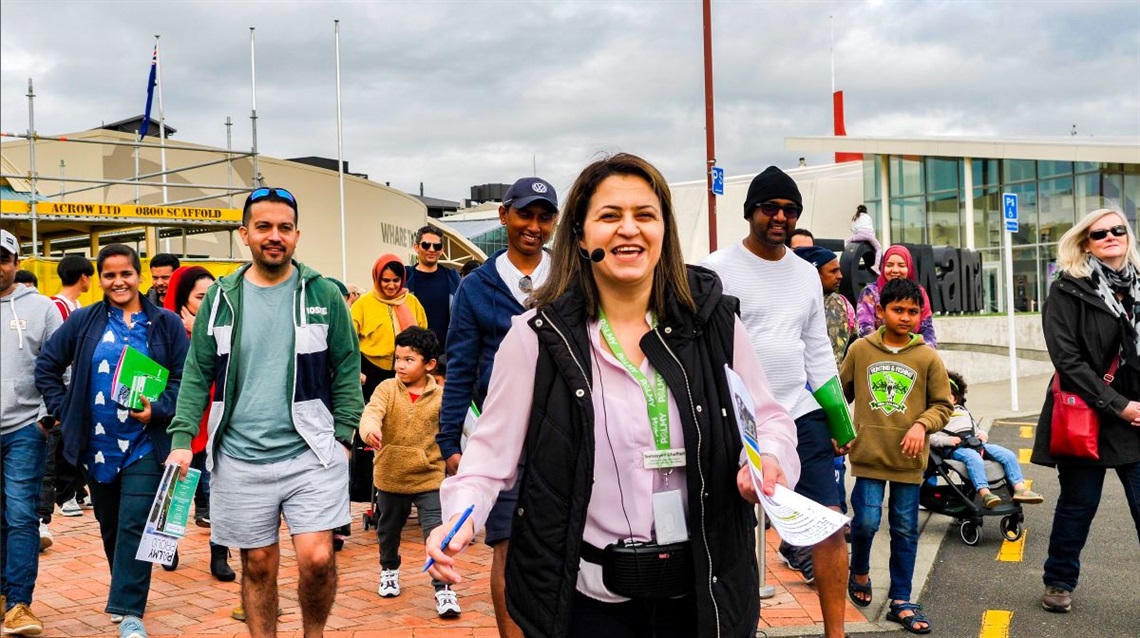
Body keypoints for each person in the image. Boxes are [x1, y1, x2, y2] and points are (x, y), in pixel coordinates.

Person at [426, 153, 799, 638]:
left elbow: (769, 420)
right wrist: (457, 520)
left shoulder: (714, 324)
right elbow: (488, 460)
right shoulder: (536, 339)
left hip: (702, 590)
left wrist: (768, 460)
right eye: (609, 216)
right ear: (580, 235)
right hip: (589, 598)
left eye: (645, 215)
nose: (629, 229)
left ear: (664, 230)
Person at [164, 187, 363, 638]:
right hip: (238, 455)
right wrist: (181, 442)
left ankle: (314, 634)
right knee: (257, 565)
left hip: (311, 450)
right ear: (245, 235)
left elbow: (347, 366)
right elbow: (197, 373)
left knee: (316, 559)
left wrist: (344, 435)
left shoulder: (324, 293)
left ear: (296, 235)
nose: (275, 236)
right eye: (264, 227)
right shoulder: (220, 296)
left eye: (285, 228)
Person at [702, 166, 849, 638]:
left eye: (790, 210)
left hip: (800, 413)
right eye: (770, 208)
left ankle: (836, 632)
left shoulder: (807, 275)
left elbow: (818, 350)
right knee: (732, 536)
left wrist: (840, 422)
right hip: (734, 422)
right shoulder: (713, 270)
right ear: (750, 213)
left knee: (829, 525)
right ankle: (738, 626)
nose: (780, 217)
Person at [35, 243, 188, 638]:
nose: (118, 281)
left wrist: (158, 409)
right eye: (109, 275)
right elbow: (49, 364)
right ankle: (126, 591)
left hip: (145, 442)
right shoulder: (85, 321)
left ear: (138, 275)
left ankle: (130, 611)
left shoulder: (165, 323)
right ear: (99, 279)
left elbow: (184, 379)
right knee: (111, 525)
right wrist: (63, 407)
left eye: (126, 273)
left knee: (136, 524)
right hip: (96, 444)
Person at [436, 175, 558, 638]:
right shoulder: (476, 287)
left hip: (565, 432)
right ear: (504, 215)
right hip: (504, 437)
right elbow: (461, 366)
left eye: (545, 217)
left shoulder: (571, 277)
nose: (534, 226)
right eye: (525, 214)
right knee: (505, 544)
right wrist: (449, 441)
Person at [1030, 208, 1140, 614]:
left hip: (1137, 417)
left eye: (1118, 230)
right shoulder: (1068, 289)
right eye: (1100, 233)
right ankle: (1058, 581)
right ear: (1085, 243)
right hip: (1089, 412)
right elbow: (1068, 359)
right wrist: (1118, 406)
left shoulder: (1139, 287)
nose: (1111, 237)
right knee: (1078, 505)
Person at [840, 278, 952, 635]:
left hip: (908, 462)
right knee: (866, 522)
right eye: (898, 310)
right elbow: (840, 394)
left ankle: (902, 598)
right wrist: (837, 431)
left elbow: (943, 405)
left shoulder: (927, 356)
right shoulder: (860, 350)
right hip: (868, 457)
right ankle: (859, 569)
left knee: (905, 529)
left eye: (913, 311)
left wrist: (922, 425)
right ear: (881, 311)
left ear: (921, 315)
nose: (905, 317)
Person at [358, 326, 460, 618]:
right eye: (397, 359)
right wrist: (370, 430)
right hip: (391, 476)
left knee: (437, 535)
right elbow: (371, 412)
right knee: (388, 532)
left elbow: (458, 427)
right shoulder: (387, 389)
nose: (400, 366)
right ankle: (389, 569)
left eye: (408, 360)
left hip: (429, 477)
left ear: (429, 364)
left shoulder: (441, 396)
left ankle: (444, 589)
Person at [1, 229, 63, 637]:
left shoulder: (41, 308)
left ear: (16, 263)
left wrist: (46, 417)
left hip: (24, 428)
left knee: (21, 515)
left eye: (2, 258)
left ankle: (19, 603)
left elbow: (62, 365)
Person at [162, 265, 235, 582]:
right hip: (179, 424)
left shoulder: (223, 327)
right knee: (173, 491)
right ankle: (166, 545)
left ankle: (220, 554)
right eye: (200, 297)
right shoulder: (163, 331)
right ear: (181, 299)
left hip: (216, 426)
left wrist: (201, 331)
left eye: (211, 297)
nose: (207, 304)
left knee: (218, 493)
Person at [930, 370, 1043, 508]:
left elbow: (974, 428)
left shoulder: (963, 412)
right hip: (956, 448)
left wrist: (983, 434)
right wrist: (947, 441)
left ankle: (1019, 488)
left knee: (1008, 455)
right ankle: (984, 492)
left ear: (954, 399)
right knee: (974, 459)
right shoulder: (936, 415)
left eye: (947, 397)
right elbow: (930, 438)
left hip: (976, 443)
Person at [351, 255, 428, 403]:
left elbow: (424, 336)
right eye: (386, 280)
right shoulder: (363, 304)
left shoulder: (412, 302)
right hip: (371, 372)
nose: (391, 285)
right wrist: (355, 371)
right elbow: (347, 340)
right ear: (377, 278)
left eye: (396, 280)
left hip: (409, 372)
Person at [855, 245, 937, 347]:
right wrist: (889, 350)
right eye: (889, 265)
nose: (895, 270)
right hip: (879, 350)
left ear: (909, 268)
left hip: (912, 351)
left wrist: (924, 352)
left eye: (901, 265)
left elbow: (927, 327)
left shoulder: (919, 292)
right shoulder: (870, 292)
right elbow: (865, 328)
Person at [406, 226, 462, 349]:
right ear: (416, 247)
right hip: (414, 351)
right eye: (426, 245)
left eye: (436, 246)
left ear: (442, 250)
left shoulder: (452, 278)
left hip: (446, 354)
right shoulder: (405, 278)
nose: (431, 249)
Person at [51, 254, 94, 321]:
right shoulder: (56, 305)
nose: (90, 280)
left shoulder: (77, 304)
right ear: (84, 277)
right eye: (89, 276)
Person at [847, 204, 882, 273]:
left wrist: (856, 236)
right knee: (878, 248)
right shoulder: (868, 217)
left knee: (847, 242)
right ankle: (876, 266)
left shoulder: (855, 217)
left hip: (860, 235)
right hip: (870, 236)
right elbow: (871, 228)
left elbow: (853, 228)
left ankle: (846, 254)